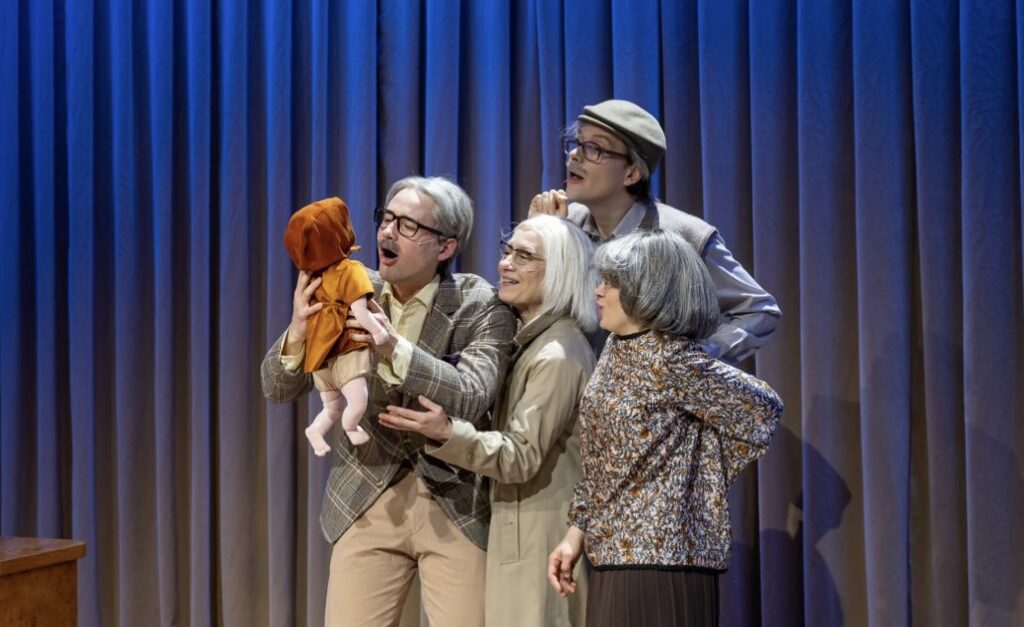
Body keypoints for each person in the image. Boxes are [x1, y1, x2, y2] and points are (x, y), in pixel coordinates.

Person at [261, 176, 517, 627]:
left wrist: (393, 347)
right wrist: (299, 332)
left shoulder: (480, 305)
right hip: (366, 491)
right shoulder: (351, 288)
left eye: (409, 226)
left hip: (454, 500)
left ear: (445, 246)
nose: (388, 232)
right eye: (387, 218)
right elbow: (277, 389)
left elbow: (472, 394)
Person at [547, 230, 783, 627]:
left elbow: (763, 409)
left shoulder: (670, 358)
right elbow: (601, 459)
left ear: (649, 289)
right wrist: (576, 533)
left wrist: (701, 476)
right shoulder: (617, 346)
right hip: (612, 555)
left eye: (612, 283)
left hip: (663, 561)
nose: (599, 291)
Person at [378, 214, 597, 627]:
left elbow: (520, 456)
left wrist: (447, 432)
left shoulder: (558, 354)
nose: (505, 264)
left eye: (524, 256)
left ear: (561, 271)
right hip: (518, 530)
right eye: (507, 251)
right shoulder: (531, 342)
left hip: (539, 538)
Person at [530, 99, 781, 363]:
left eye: (594, 148)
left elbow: (758, 310)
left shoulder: (681, 236)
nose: (574, 155)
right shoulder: (567, 222)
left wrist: (696, 358)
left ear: (632, 173)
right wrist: (542, 238)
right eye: (577, 142)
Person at [282, 196, 388, 454]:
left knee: (331, 407)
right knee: (357, 402)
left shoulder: (312, 279)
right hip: (345, 351)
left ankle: (316, 430)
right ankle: (351, 428)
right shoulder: (351, 270)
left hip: (319, 357)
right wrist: (379, 332)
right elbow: (360, 312)